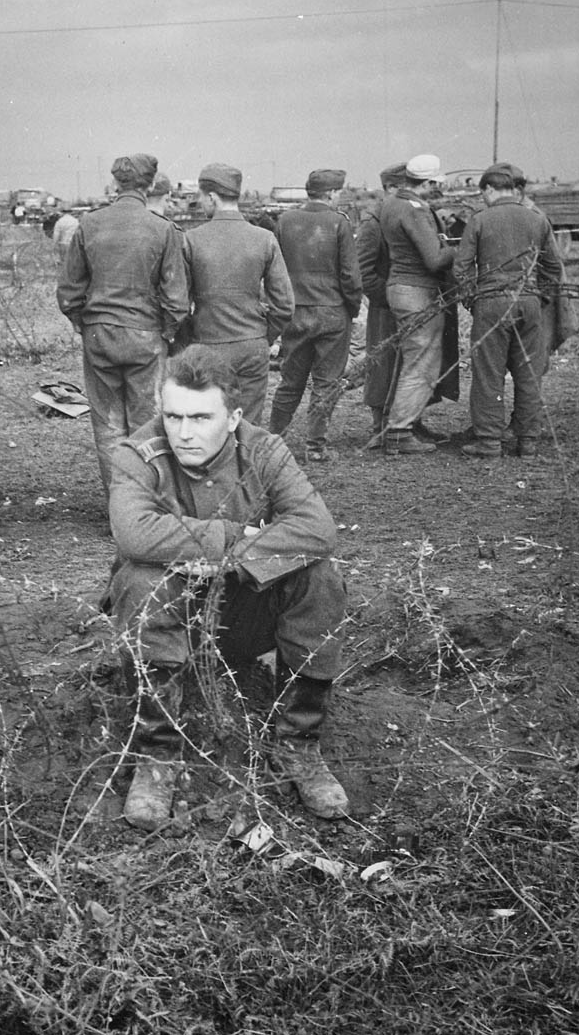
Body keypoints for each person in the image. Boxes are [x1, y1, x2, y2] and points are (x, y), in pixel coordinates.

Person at [107, 345, 349, 830]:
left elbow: (318, 529)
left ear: (234, 416)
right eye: (173, 416)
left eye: (200, 417)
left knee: (318, 576)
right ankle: (158, 755)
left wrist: (230, 566)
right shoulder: (137, 454)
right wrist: (236, 539)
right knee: (140, 578)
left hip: (243, 617)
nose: (184, 432)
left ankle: (299, 744)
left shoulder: (263, 449)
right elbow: (133, 533)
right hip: (172, 624)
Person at [57, 153, 189, 496]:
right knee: (148, 423)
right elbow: (176, 298)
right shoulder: (162, 229)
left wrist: (80, 322)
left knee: (108, 426)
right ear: (149, 185)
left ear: (117, 183)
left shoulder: (88, 224)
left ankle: (120, 506)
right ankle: (149, 503)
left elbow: (69, 289)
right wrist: (168, 331)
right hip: (146, 336)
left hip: (99, 334)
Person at [454, 163, 563, 459]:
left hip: (490, 303)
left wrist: (471, 300)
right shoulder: (536, 219)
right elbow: (553, 266)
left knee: (489, 373)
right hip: (528, 302)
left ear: (489, 189)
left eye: (483, 194)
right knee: (529, 374)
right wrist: (541, 298)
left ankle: (489, 441)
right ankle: (527, 441)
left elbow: (461, 267)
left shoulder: (479, 220)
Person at [183, 162, 294, 425]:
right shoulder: (264, 238)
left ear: (212, 197)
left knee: (209, 422)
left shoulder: (191, 239)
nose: (200, 202)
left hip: (208, 344)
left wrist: (192, 338)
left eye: (201, 196)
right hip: (252, 344)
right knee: (248, 426)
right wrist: (264, 336)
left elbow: (178, 303)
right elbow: (285, 305)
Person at [268, 169, 362, 462]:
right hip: (333, 312)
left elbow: (275, 270)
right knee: (326, 382)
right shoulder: (339, 223)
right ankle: (315, 447)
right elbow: (350, 275)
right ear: (333, 193)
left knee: (290, 380)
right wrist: (353, 307)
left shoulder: (285, 221)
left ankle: (272, 440)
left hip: (295, 312)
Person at [378, 154, 457, 456]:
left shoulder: (392, 204)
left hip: (401, 288)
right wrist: (457, 249)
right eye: (435, 184)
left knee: (413, 358)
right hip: (418, 292)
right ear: (426, 182)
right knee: (421, 362)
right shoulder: (413, 210)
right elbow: (434, 259)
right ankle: (400, 432)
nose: (437, 190)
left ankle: (400, 424)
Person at [355, 162, 408, 446]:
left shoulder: (403, 215)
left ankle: (409, 422)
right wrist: (387, 298)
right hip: (385, 307)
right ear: (389, 188)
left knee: (407, 364)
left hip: (408, 305)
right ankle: (379, 426)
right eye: (403, 186)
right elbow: (363, 271)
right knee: (382, 364)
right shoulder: (374, 222)